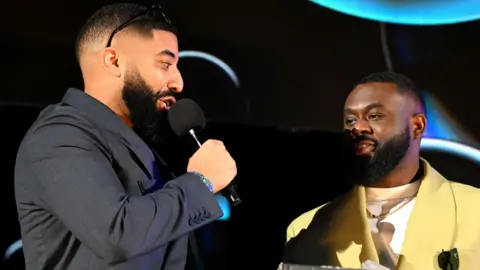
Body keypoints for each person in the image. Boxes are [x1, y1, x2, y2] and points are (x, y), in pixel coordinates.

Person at [14, 3, 237, 270]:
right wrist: (200, 182)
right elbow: (117, 235)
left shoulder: (135, 144)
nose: (178, 82)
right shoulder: (58, 136)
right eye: (165, 63)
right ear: (114, 61)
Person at [282, 72, 480, 270]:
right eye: (350, 120)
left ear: (417, 126)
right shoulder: (307, 230)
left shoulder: (474, 212)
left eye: (374, 116)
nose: (358, 127)